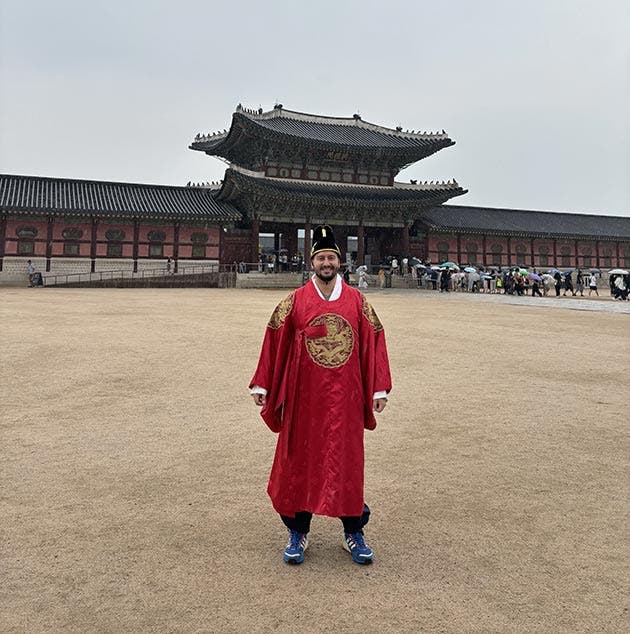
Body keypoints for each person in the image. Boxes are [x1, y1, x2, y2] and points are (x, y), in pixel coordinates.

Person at [249, 225, 392, 566]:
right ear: (312, 262)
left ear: (339, 262)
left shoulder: (357, 301)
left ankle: (353, 531)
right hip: (304, 397)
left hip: (345, 397)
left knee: (346, 461)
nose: (326, 263)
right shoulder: (295, 300)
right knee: (300, 460)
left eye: (331, 257)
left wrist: (379, 387)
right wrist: (263, 384)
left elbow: (375, 341)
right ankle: (298, 531)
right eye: (321, 258)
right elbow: (274, 339)